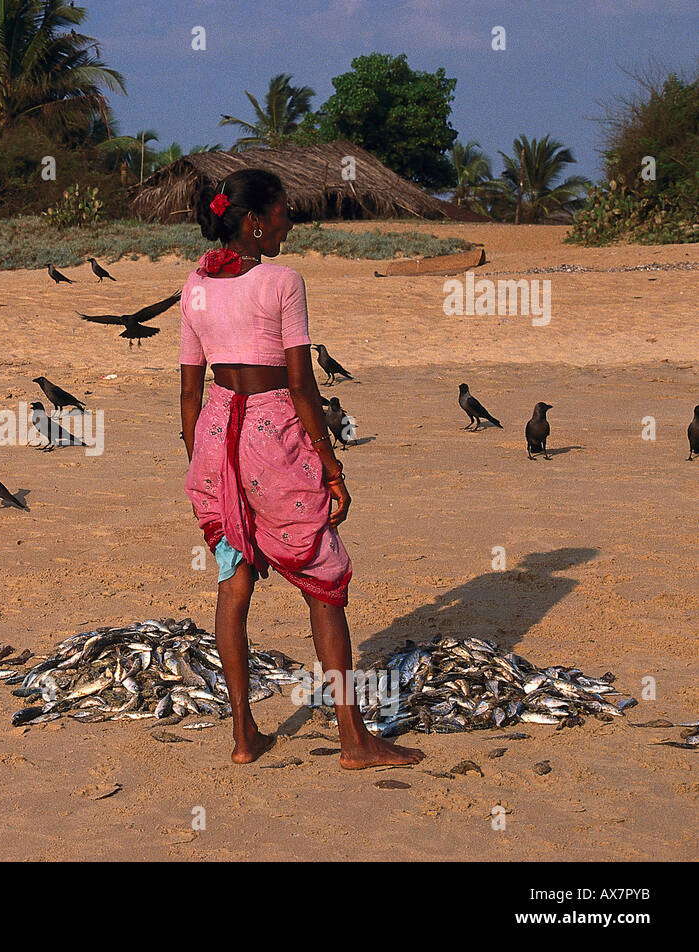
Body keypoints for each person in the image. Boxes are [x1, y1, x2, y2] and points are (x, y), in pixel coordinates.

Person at [179, 169, 424, 769]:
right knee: (324, 581)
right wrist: (331, 463)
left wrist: (209, 466)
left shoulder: (195, 285)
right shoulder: (283, 281)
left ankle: (244, 737)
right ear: (257, 221)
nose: (290, 221)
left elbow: (188, 394)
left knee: (232, 584)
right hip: (272, 434)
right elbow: (302, 384)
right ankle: (352, 738)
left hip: (215, 434)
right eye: (284, 210)